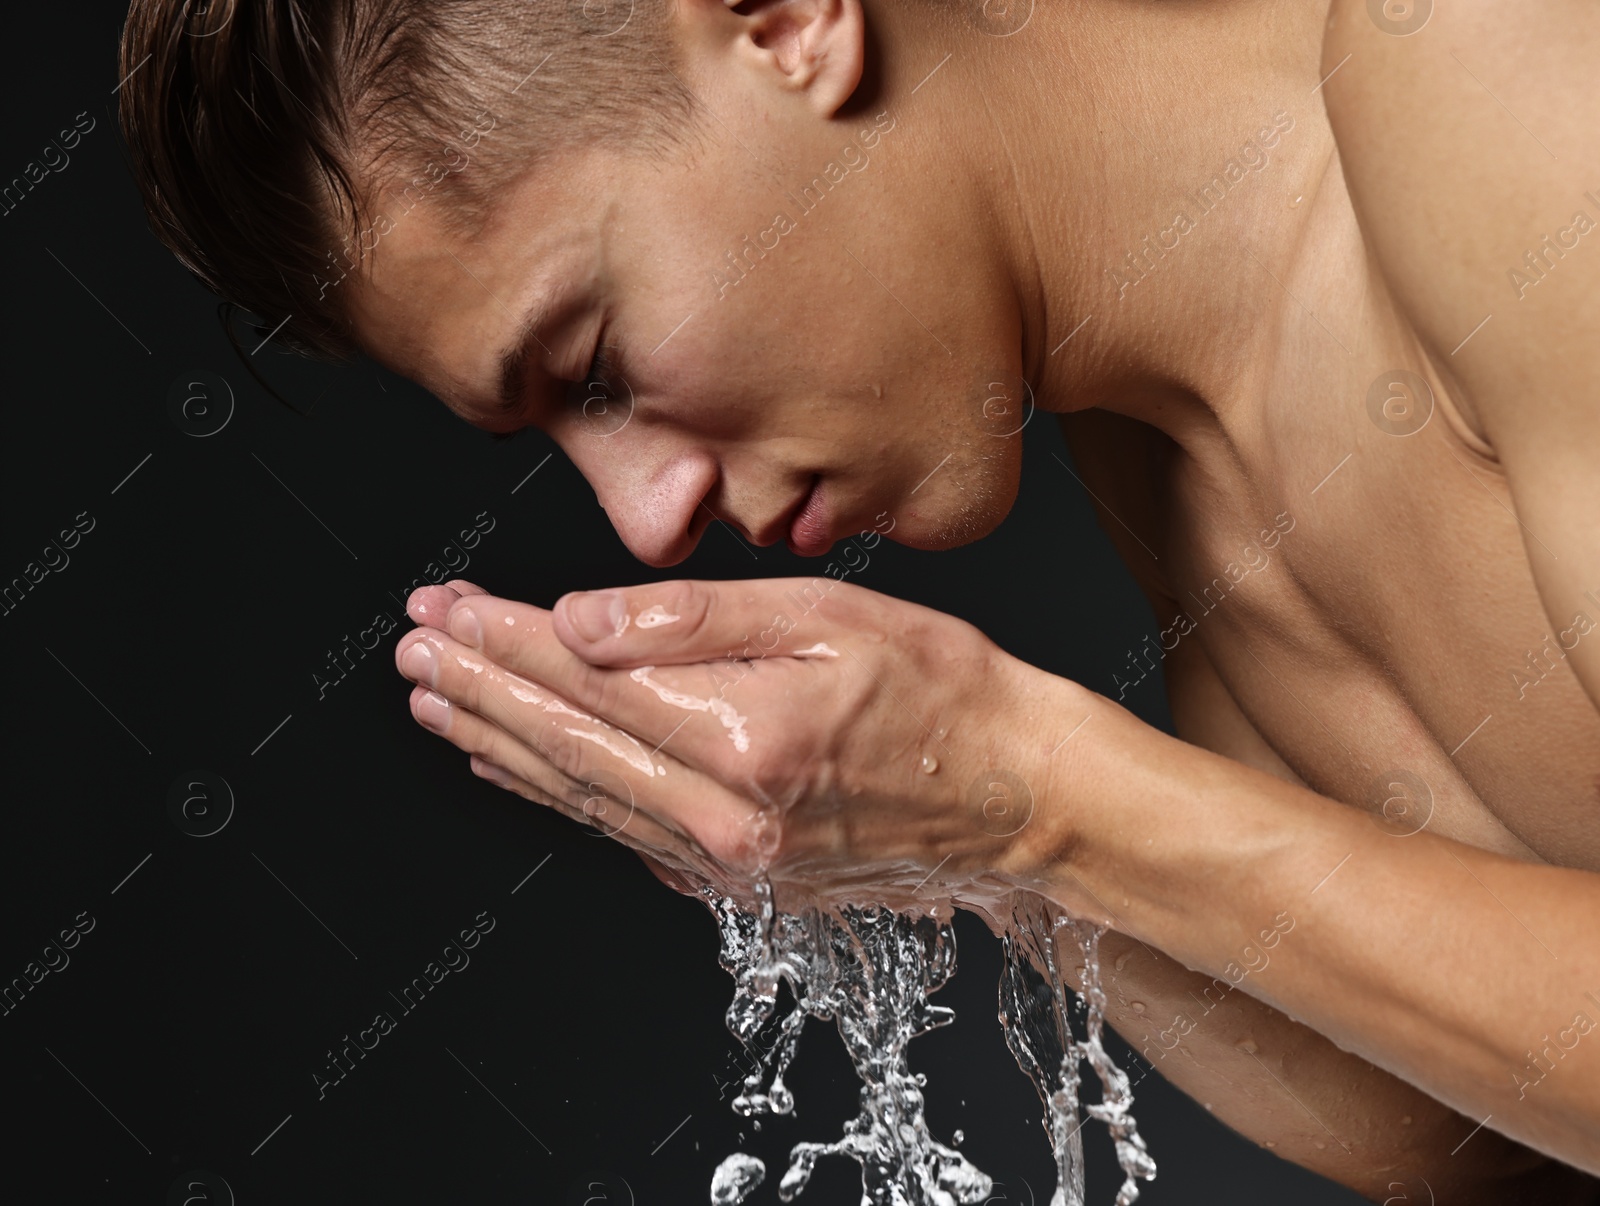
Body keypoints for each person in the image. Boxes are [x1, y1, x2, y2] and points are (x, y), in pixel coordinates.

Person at [117, 0, 1600, 1199]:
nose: (647, 519)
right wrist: (945, 843)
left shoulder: (1494, 69)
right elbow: (1462, 1132)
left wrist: (1037, 797)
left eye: (599, 367)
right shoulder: (1154, 450)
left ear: (783, 24)